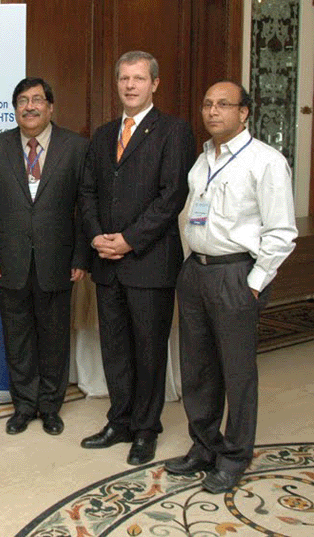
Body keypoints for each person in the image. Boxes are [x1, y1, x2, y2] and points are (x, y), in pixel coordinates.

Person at [164, 81, 297, 493]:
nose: (213, 111)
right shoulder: (203, 159)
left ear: (244, 112)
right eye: (207, 104)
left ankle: (235, 457)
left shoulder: (266, 161)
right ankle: (204, 446)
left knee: (237, 374)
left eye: (224, 104)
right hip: (196, 273)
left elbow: (281, 232)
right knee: (197, 368)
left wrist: (254, 284)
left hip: (236, 275)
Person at [79, 50, 196, 465]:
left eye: (139, 78)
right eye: (124, 78)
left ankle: (146, 430)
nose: (130, 85)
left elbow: (172, 197)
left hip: (149, 262)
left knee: (148, 351)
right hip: (106, 262)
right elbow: (88, 192)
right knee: (115, 348)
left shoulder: (174, 131)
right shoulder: (103, 134)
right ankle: (120, 421)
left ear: (154, 84)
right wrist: (96, 235)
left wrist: (128, 240)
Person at [0, 77, 90, 436]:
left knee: (55, 339)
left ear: (50, 107)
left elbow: (85, 207)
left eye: (37, 100)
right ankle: (24, 406)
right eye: (23, 100)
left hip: (59, 261)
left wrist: (81, 257)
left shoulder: (76, 147)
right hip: (9, 262)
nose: (30, 106)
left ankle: (51, 407)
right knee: (18, 339)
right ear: (15, 108)